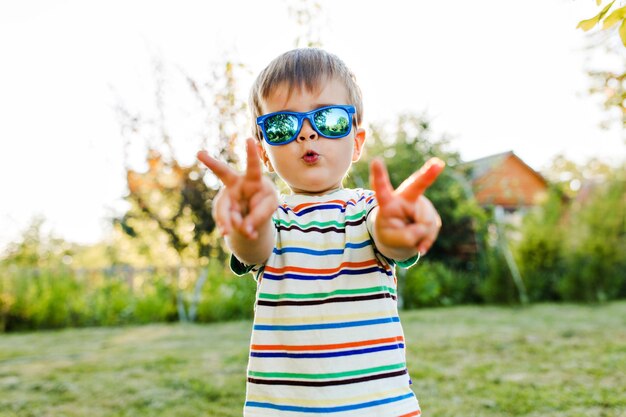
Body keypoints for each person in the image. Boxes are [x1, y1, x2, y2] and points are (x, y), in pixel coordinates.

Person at [197, 48, 444, 417]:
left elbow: (389, 236)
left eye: (328, 119)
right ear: (264, 153)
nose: (307, 132)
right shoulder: (272, 217)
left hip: (377, 408)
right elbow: (252, 245)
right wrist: (246, 217)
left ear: (356, 141)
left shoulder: (369, 209)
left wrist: (402, 223)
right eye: (283, 124)